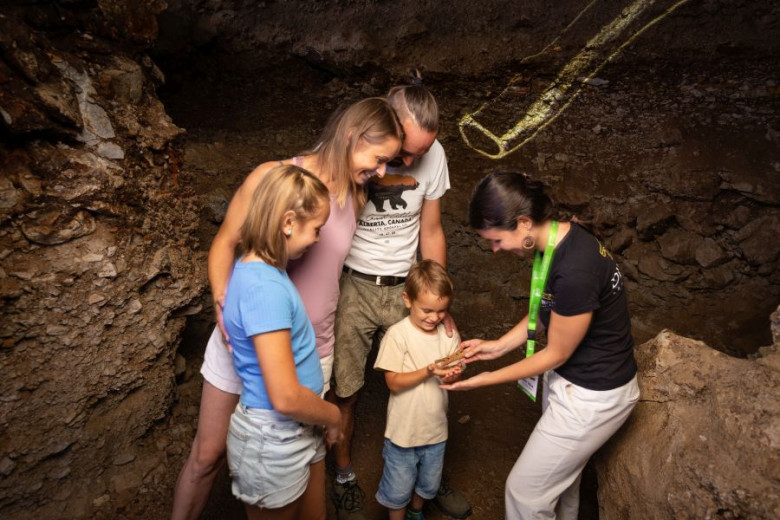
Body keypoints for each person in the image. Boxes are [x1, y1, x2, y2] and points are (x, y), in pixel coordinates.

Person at [171, 97, 403, 520]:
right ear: (352, 136)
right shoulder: (274, 178)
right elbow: (225, 243)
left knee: (304, 456)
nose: (382, 171)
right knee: (207, 455)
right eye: (379, 158)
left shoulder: (357, 194)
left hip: (312, 348)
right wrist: (224, 307)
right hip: (243, 342)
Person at [441, 170, 640, 520]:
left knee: (525, 493)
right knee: (563, 484)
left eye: (497, 240)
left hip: (592, 395)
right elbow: (548, 307)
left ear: (522, 222)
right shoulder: (560, 240)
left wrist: (484, 379)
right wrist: (499, 345)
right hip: (577, 379)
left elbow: (556, 352)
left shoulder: (575, 270)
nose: (494, 249)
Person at [331, 74, 472, 520]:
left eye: (420, 154)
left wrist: (438, 303)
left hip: (406, 286)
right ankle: (343, 475)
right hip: (353, 285)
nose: (410, 160)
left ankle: (425, 477)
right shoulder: (356, 154)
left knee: (430, 374)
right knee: (346, 390)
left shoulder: (433, 156)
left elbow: (430, 231)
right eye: (405, 151)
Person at [222, 164, 340, 518]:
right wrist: (333, 416)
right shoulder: (264, 289)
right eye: (317, 229)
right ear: (288, 222)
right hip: (273, 440)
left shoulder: (266, 272)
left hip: (296, 429)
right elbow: (286, 396)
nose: (318, 238)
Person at [373, 260, 465, 520]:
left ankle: (416, 513)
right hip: (403, 433)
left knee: (427, 484)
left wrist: (455, 372)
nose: (434, 318)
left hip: (435, 431)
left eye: (441, 311)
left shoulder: (448, 336)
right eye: (427, 310)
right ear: (407, 300)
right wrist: (427, 371)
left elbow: (456, 366)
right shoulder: (397, 335)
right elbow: (393, 382)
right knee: (398, 488)